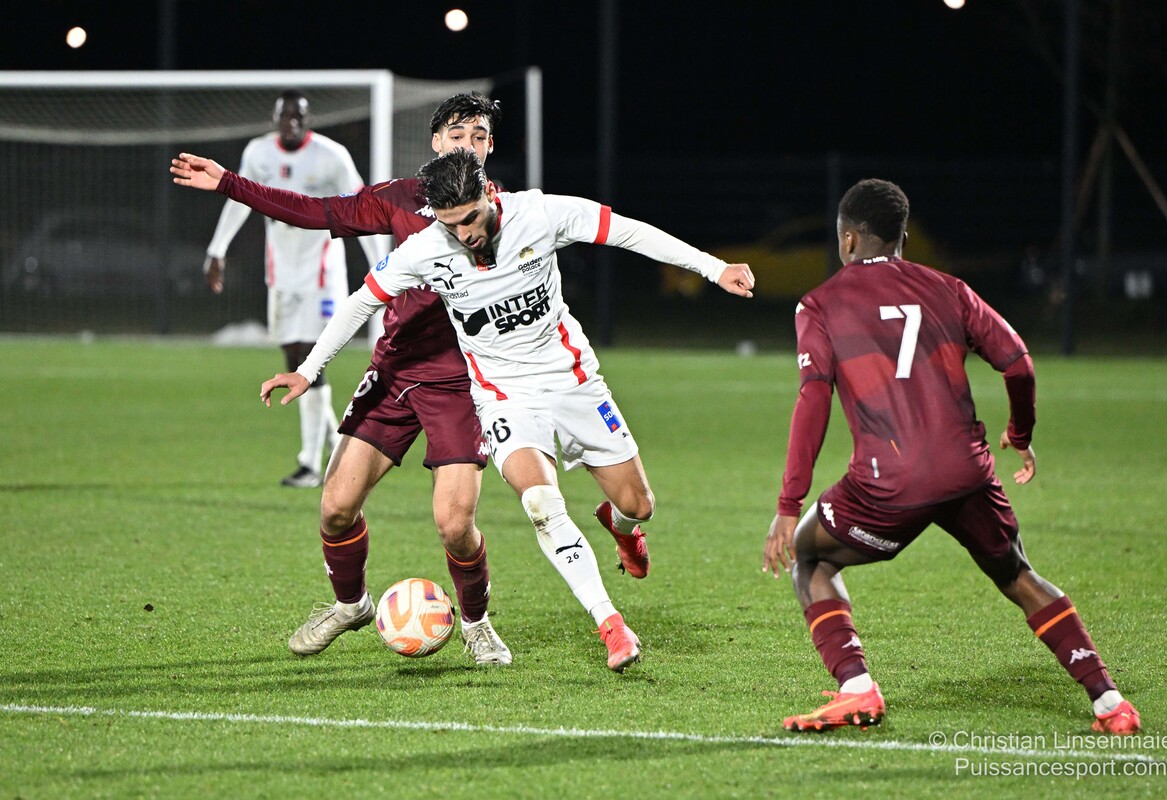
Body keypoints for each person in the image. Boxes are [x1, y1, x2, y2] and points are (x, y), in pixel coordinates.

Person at [261, 149, 756, 672]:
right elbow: (362, 300)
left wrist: (714, 268)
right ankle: (611, 624)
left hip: (573, 382)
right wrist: (308, 370)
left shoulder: (540, 214)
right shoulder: (427, 248)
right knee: (541, 502)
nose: (464, 235)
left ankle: (620, 524)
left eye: (470, 219)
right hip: (503, 396)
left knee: (639, 504)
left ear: (490, 195)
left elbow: (628, 232)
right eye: (450, 225)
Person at [762, 178, 1140, 734]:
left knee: (809, 555)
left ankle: (856, 688)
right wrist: (1020, 431)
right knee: (1018, 574)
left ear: (847, 240)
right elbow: (1018, 363)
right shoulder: (949, 288)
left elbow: (813, 398)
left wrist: (788, 504)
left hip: (887, 483)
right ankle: (1110, 702)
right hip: (967, 472)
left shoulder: (819, 305)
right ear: (902, 239)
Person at [172, 93, 512, 665]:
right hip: (395, 372)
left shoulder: (506, 212)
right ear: (436, 143)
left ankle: (477, 624)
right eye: (457, 135)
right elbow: (315, 211)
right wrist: (231, 184)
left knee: (455, 525)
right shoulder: (399, 199)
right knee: (335, 506)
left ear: (490, 146)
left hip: (461, 383)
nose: (468, 145)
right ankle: (351, 604)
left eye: (478, 136)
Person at [202, 88, 390, 489]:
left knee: (309, 358)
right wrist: (217, 249)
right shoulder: (258, 153)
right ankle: (332, 442)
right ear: (274, 119)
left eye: (298, 116)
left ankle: (310, 464)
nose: (291, 122)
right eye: (285, 116)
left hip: (321, 273)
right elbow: (238, 199)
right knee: (293, 357)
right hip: (281, 273)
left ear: (308, 120)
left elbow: (366, 208)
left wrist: (385, 266)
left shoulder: (331, 155)